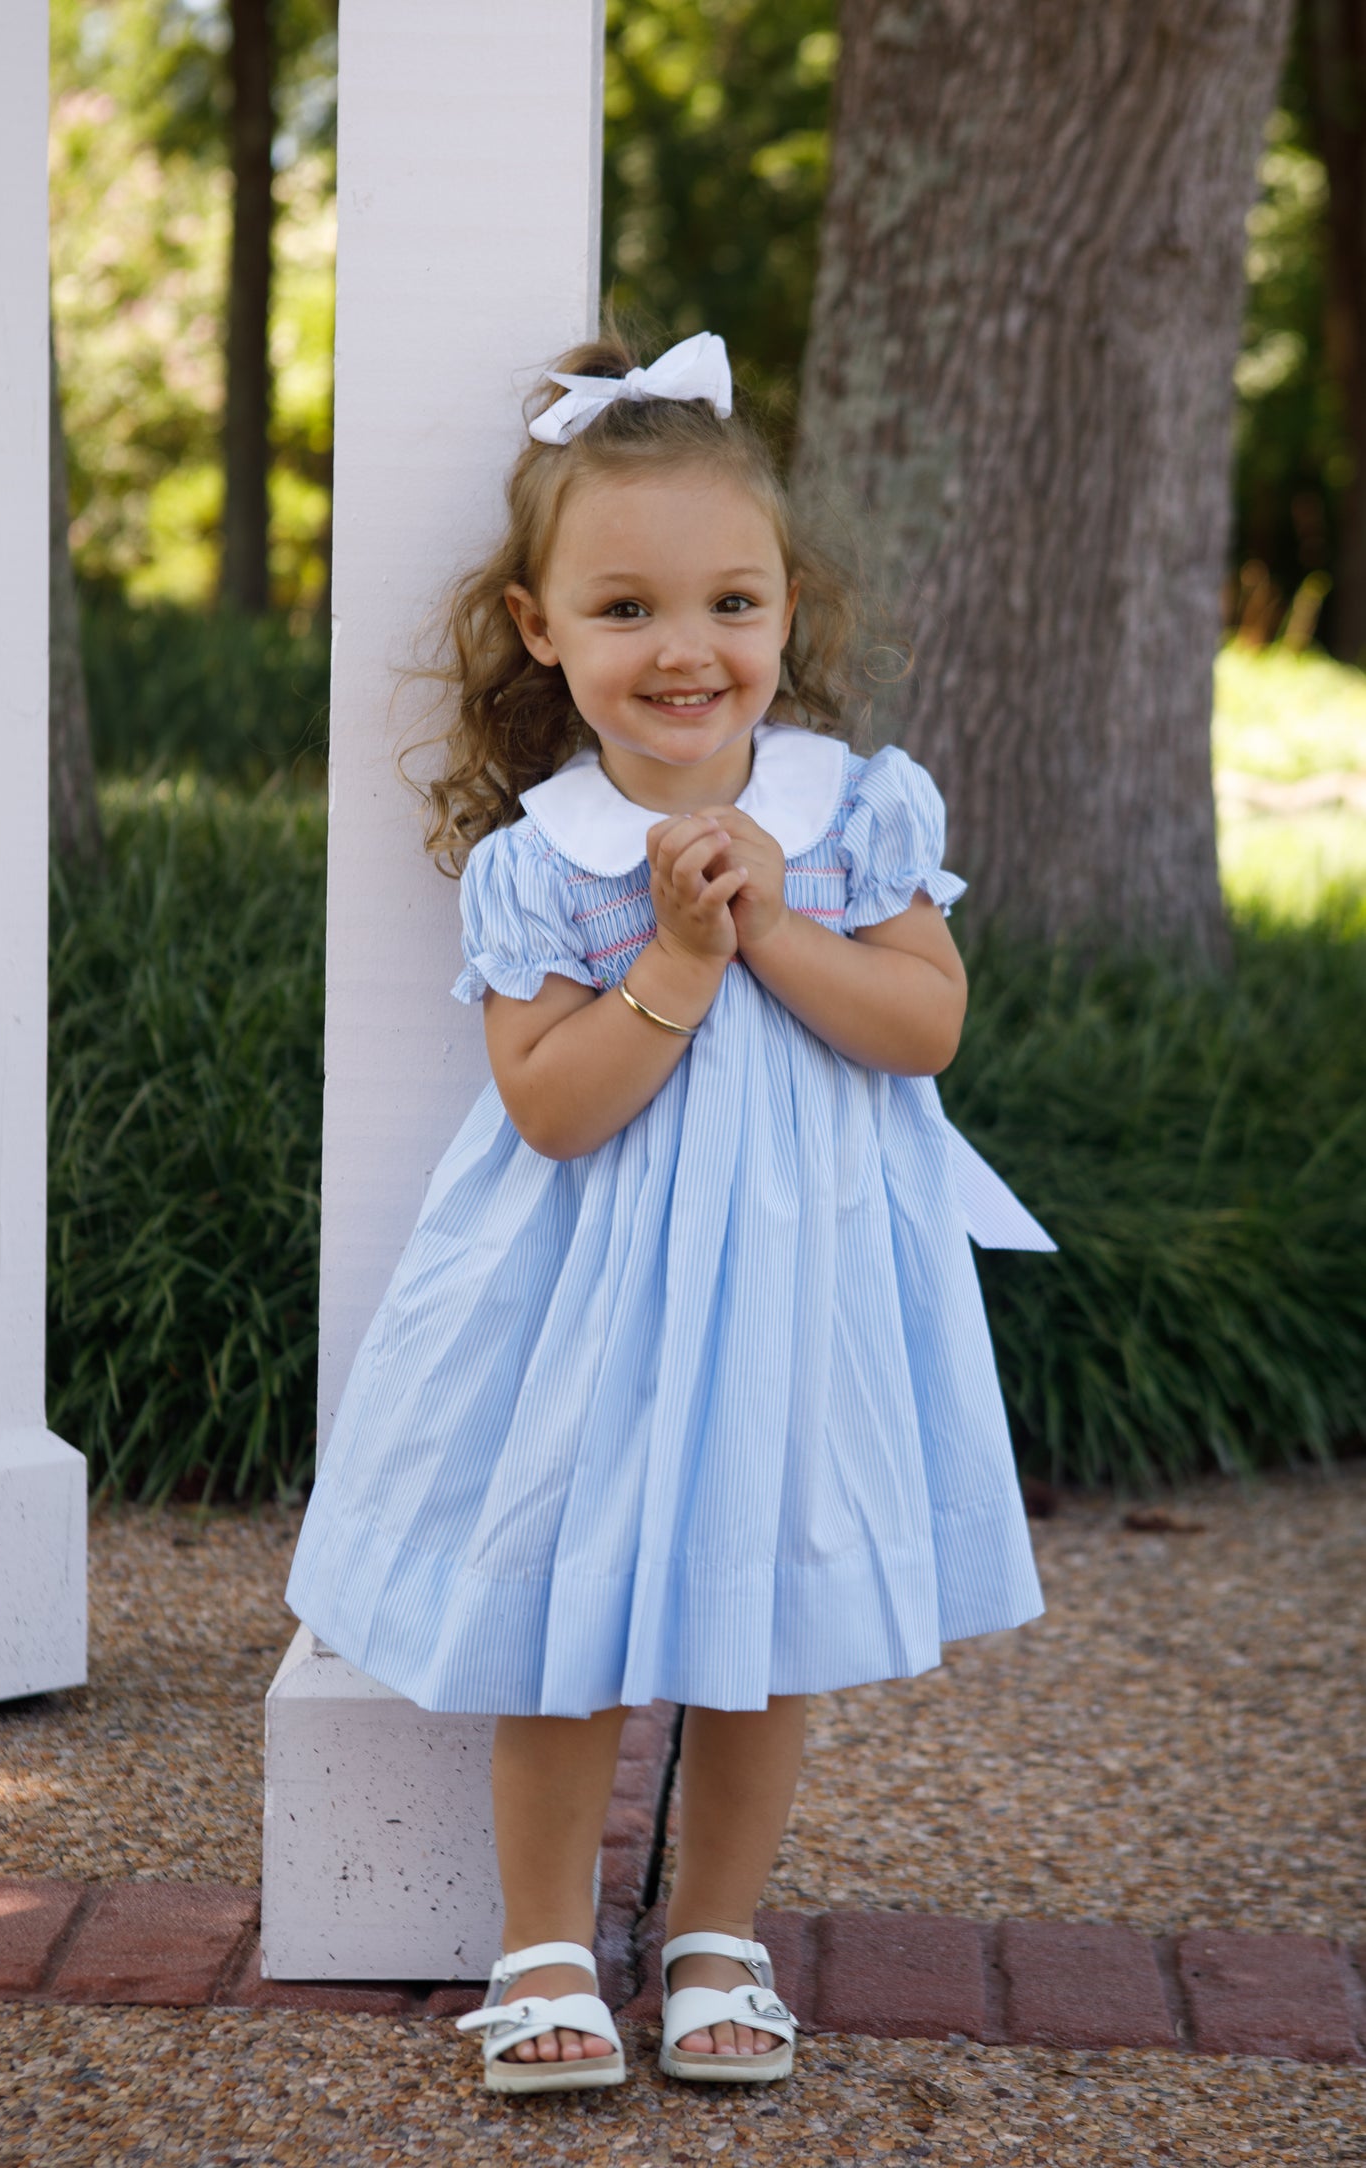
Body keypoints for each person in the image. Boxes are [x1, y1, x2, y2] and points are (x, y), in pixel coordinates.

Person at [284, 327, 1054, 2096]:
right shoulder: (540, 858)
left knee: (758, 1607)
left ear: (788, 612)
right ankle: (543, 1939)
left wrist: (772, 921)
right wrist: (681, 961)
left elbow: (923, 1024)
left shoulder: (849, 809)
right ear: (542, 630)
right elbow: (550, 1113)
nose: (685, 648)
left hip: (792, 1277)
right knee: (566, 1600)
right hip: (587, 1291)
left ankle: (716, 1934)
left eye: (729, 602)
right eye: (623, 609)